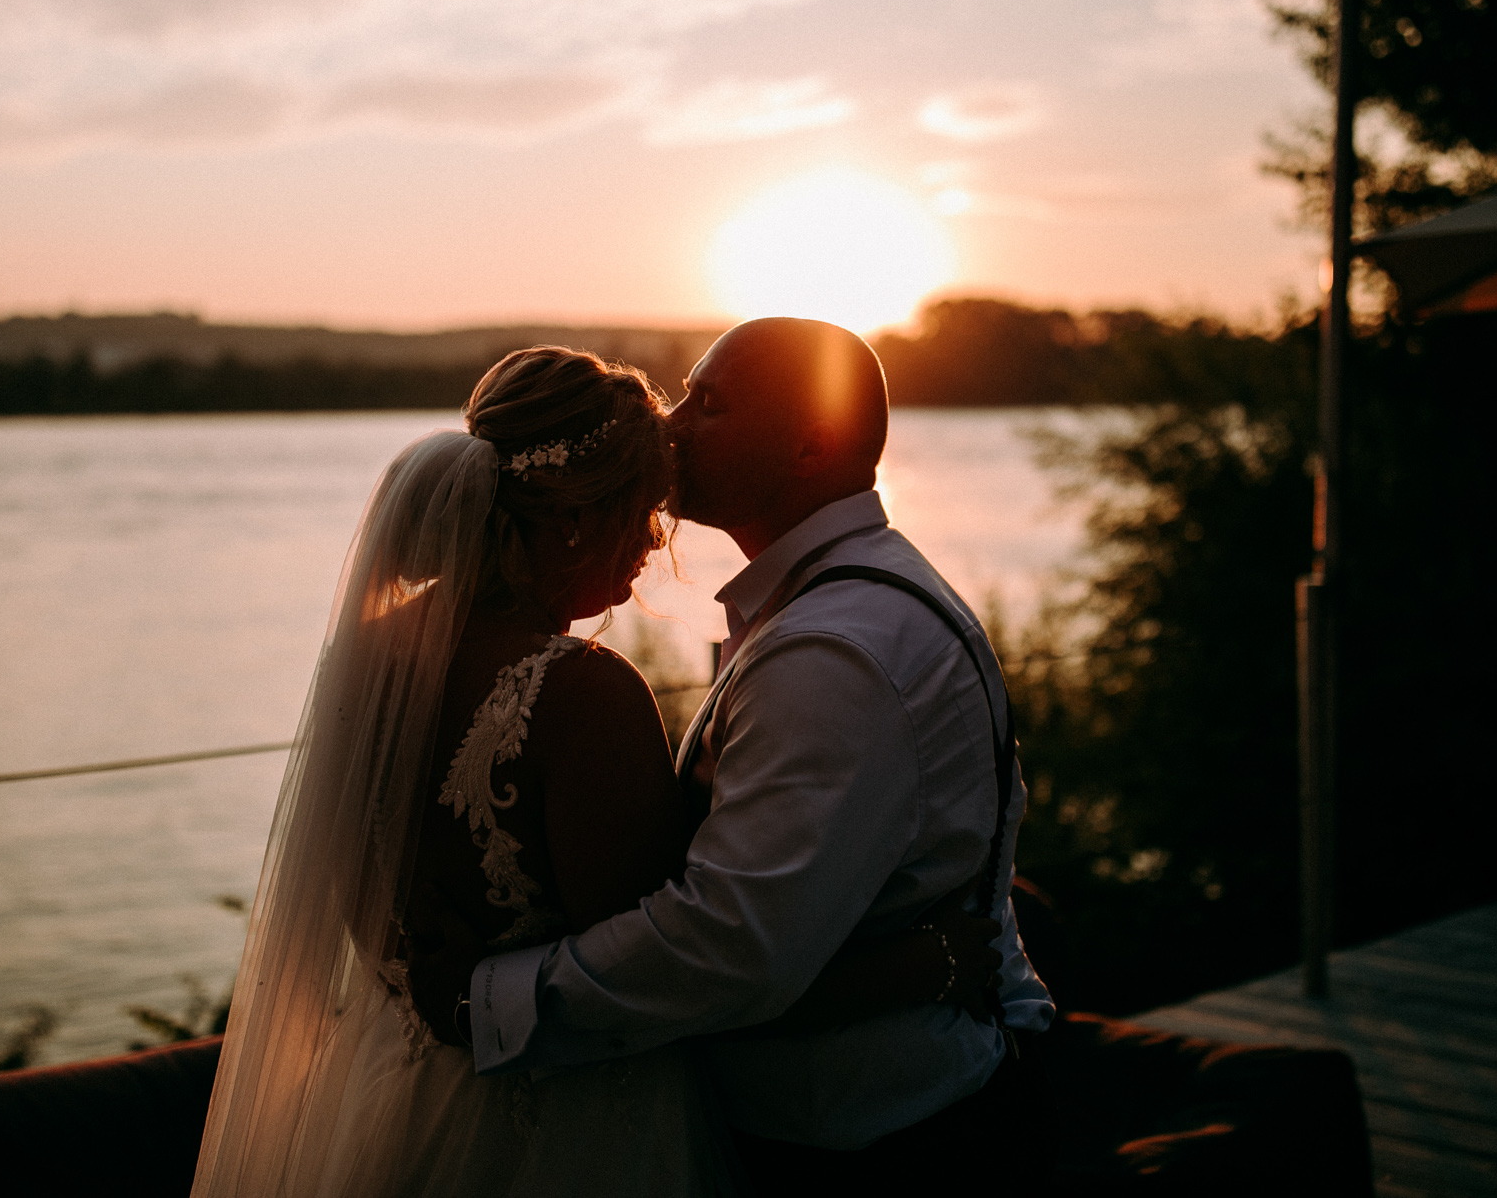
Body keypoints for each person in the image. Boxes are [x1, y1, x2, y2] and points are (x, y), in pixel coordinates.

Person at [190, 345, 1001, 1198]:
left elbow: (375, 918)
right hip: (567, 1128)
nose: (656, 544)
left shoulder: (373, 661)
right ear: (575, 521)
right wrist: (914, 969)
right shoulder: (583, 693)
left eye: (708, 403)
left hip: (394, 1095)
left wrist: (445, 992)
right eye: (643, 511)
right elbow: (688, 976)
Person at [412, 318, 1056, 1188]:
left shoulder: (835, 651)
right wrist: (909, 967)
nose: (669, 423)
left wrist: (487, 1000)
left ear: (810, 444)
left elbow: (730, 942)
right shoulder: (827, 611)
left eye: (706, 403)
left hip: (871, 1139)